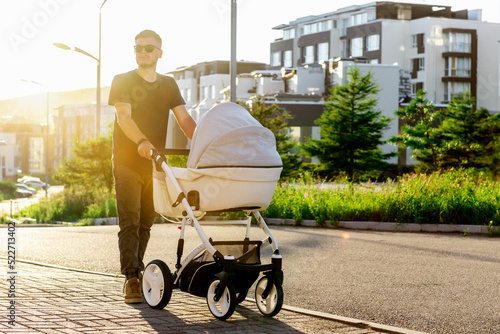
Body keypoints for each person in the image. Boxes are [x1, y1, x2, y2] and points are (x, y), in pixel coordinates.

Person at [108, 29, 196, 304]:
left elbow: (184, 119)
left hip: (155, 164)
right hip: (126, 160)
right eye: (138, 48)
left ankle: (138, 267)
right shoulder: (122, 80)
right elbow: (123, 116)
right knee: (130, 220)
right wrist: (143, 140)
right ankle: (131, 278)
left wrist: (208, 141)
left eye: (148, 47)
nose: (142, 52)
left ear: (160, 53)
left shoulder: (169, 84)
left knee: (146, 220)